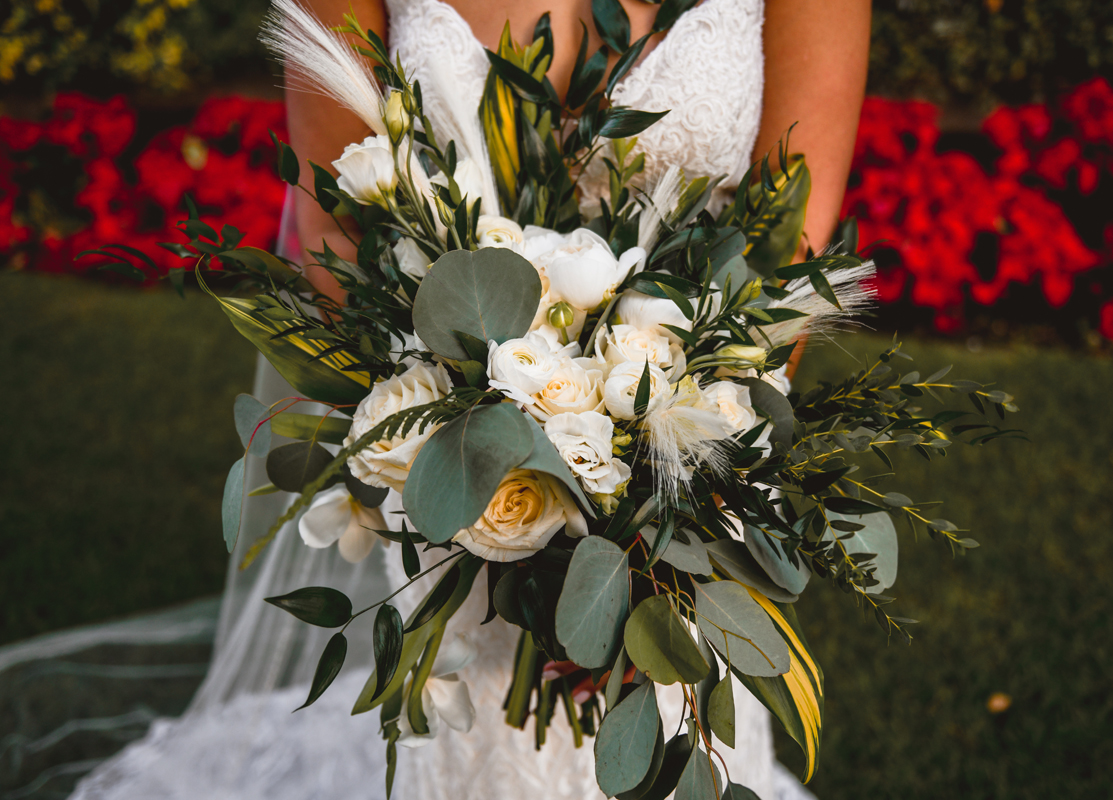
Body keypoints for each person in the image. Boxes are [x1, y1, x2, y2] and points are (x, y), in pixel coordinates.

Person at [70, 2, 868, 798]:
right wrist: (470, 459)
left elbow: (789, 247)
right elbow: (338, 229)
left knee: (665, 722)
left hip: (690, 452)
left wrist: (653, 513)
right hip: (452, 474)